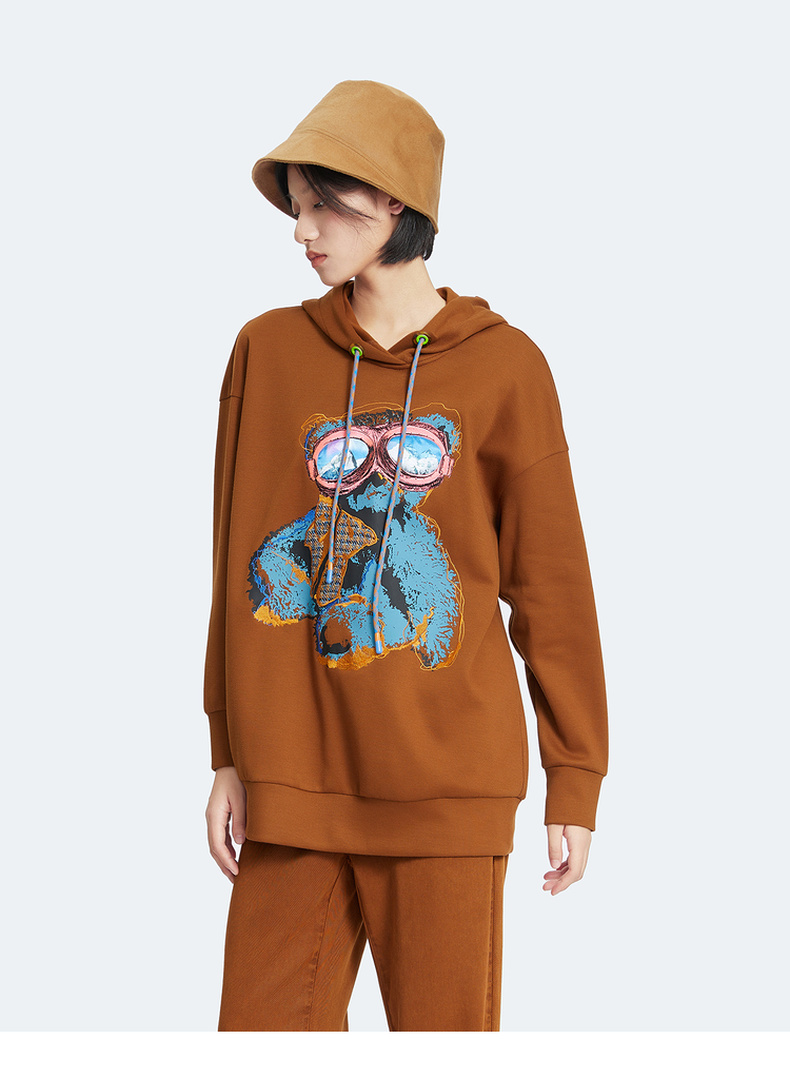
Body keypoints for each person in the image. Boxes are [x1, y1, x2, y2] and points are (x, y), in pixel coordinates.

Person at [203, 79, 609, 1033]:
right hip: (294, 781)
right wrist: (226, 751)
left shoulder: (506, 366)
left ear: (392, 201)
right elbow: (232, 561)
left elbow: (551, 584)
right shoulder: (267, 351)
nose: (301, 231)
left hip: (447, 786)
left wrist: (576, 772)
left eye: (322, 205)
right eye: (295, 206)